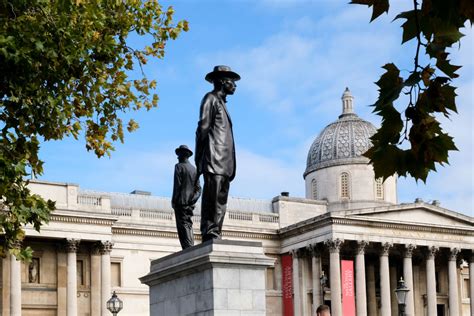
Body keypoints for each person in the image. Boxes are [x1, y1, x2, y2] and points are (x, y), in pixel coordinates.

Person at [195, 65, 240, 242]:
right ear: (222, 81)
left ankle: (216, 231)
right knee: (212, 198)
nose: (235, 85)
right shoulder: (210, 99)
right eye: (232, 82)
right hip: (213, 158)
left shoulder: (221, 103)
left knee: (221, 200)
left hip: (224, 162)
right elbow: (203, 128)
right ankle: (209, 231)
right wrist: (199, 157)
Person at [172, 145, 201, 249]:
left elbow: (177, 186)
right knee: (188, 224)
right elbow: (199, 189)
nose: (177, 157)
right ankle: (190, 245)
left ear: (181, 155)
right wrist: (192, 200)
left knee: (182, 225)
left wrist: (174, 201)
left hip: (180, 201)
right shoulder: (194, 170)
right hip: (190, 203)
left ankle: (187, 247)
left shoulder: (178, 166)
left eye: (178, 155)